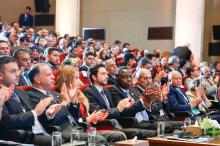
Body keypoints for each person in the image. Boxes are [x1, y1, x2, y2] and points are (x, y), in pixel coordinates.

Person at [27, 63, 107, 144]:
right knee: (100, 139)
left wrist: (73, 102)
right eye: (49, 75)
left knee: (117, 136)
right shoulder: (32, 96)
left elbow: (74, 118)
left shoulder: (56, 94)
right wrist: (63, 104)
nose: (53, 77)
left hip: (77, 128)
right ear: (37, 79)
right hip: (62, 133)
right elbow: (45, 120)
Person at [83, 63, 156, 140]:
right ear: (94, 77)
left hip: (118, 124)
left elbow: (115, 111)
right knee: (152, 134)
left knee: (154, 133)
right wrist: (119, 108)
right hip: (106, 127)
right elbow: (98, 113)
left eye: (106, 74)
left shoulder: (106, 91)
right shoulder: (89, 92)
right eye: (103, 74)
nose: (107, 76)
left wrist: (124, 107)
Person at [56, 65, 126, 143]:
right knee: (116, 136)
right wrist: (88, 119)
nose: (79, 81)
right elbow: (72, 121)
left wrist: (93, 117)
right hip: (78, 130)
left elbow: (87, 115)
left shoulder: (81, 95)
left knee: (119, 135)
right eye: (76, 78)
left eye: (79, 78)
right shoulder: (61, 98)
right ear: (68, 80)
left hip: (88, 128)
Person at [0, 56, 52, 145]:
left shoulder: (20, 91)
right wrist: (35, 112)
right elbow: (5, 121)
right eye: (13, 71)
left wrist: (48, 113)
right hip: (22, 138)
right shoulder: (1, 94)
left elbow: (33, 114)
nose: (18, 74)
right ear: (0, 75)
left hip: (42, 132)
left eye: (18, 70)